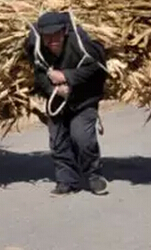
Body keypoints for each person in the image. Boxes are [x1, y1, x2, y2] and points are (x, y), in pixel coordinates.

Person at [24, 11, 109, 196]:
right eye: (47, 35)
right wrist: (52, 89)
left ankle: (94, 176)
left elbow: (97, 69)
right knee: (58, 141)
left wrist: (67, 78)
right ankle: (66, 181)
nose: (52, 39)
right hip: (56, 101)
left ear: (64, 32)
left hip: (84, 98)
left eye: (56, 34)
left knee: (82, 138)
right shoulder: (37, 48)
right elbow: (38, 74)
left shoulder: (82, 46)